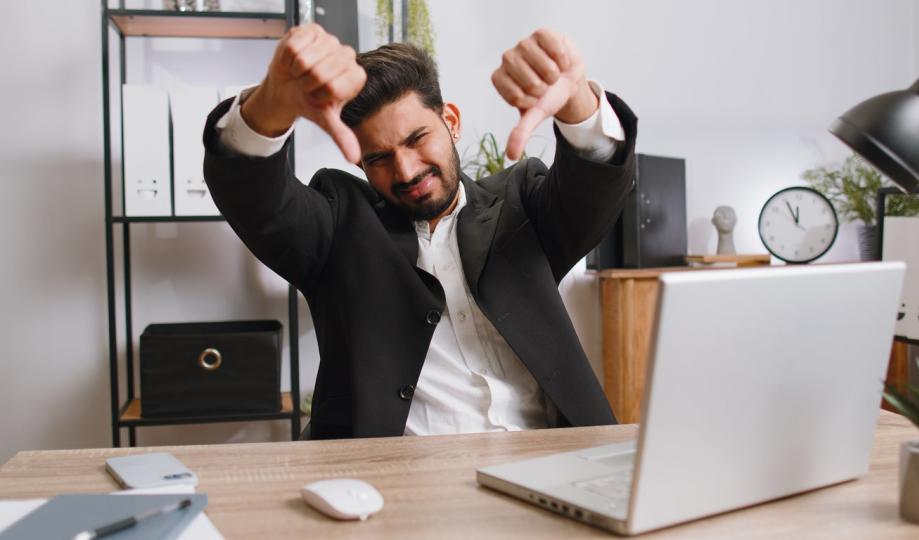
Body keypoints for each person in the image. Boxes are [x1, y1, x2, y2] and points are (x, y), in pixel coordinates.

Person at [202, 23, 638, 440]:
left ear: (450, 120)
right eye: (379, 158)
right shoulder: (337, 224)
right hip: (402, 479)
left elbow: (593, 184)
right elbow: (252, 192)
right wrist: (271, 105)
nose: (406, 171)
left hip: (549, 459)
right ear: (358, 160)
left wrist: (577, 100)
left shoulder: (521, 203)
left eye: (416, 139)